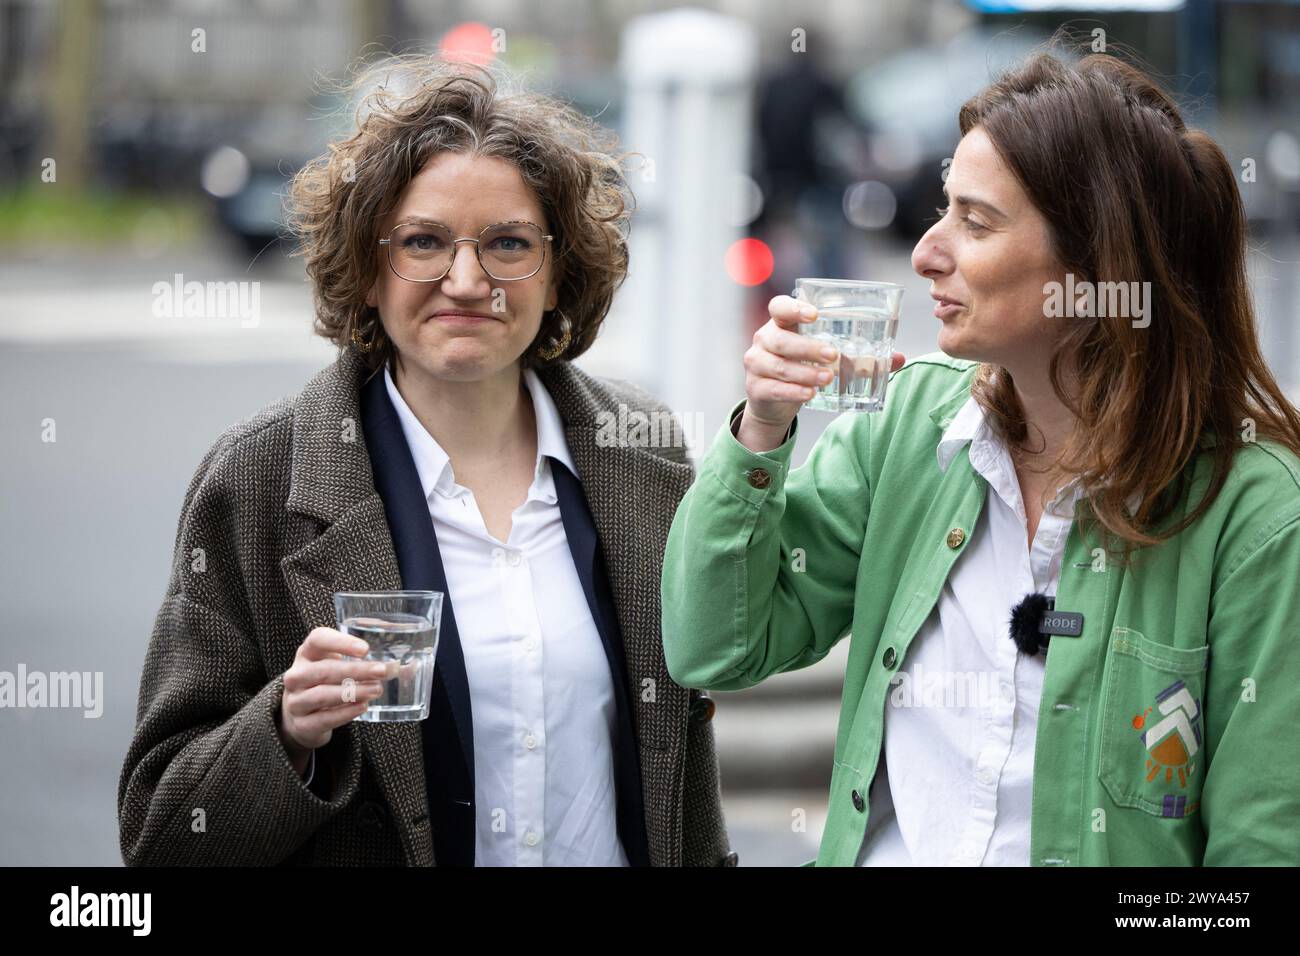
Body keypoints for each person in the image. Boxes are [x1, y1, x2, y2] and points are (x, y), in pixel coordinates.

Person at [662, 48, 1300, 866]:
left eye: (975, 221)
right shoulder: (907, 427)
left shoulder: (1257, 516)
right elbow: (713, 647)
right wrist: (760, 433)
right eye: (943, 210)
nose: (926, 251)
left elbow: (1259, 850)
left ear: (1098, 264)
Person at [118, 55, 734, 867]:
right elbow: (162, 836)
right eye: (423, 242)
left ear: (558, 274)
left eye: (508, 243)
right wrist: (288, 730)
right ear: (369, 271)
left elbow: (685, 772)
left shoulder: (641, 450)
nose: (467, 280)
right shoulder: (258, 479)